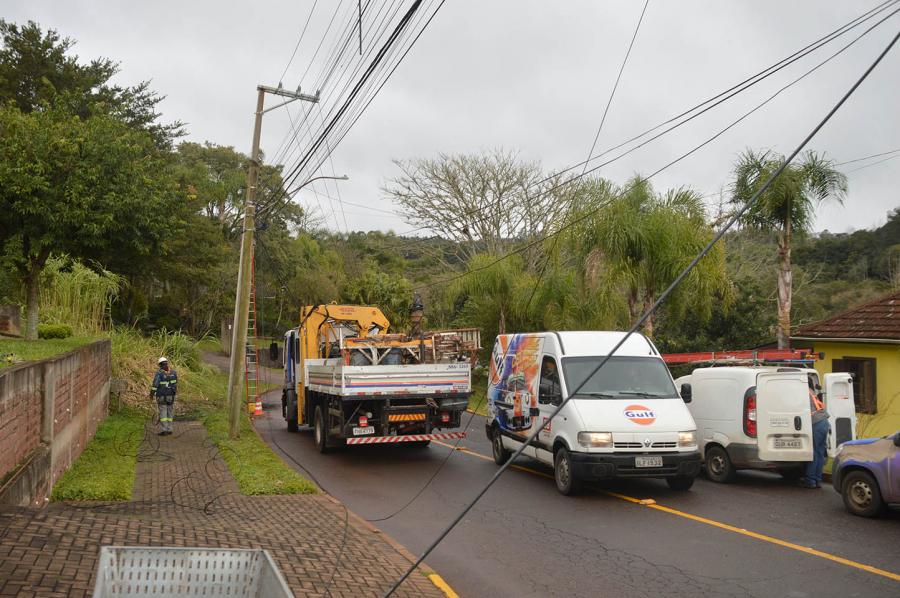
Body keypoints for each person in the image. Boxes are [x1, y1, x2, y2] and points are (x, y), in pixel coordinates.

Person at [800, 381, 829, 488]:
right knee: (820, 452)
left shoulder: (803, 393)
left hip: (816, 423)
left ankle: (810, 480)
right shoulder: (811, 391)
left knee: (814, 453)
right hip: (824, 421)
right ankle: (817, 480)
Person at [150, 356, 178, 436]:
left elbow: (155, 385)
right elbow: (175, 384)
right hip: (171, 396)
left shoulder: (159, 373)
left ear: (160, 365)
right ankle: (170, 429)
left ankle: (164, 430)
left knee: (163, 413)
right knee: (170, 413)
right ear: (167, 363)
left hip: (161, 396)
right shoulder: (173, 372)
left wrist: (151, 394)